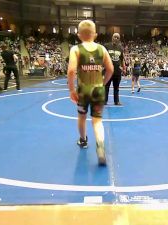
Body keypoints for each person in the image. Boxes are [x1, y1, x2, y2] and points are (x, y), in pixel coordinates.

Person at [67, 20, 114, 166]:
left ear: (79, 35)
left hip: (83, 90)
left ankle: (83, 140)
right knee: (97, 120)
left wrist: (71, 90)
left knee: (82, 117)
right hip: (98, 89)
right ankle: (100, 147)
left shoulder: (76, 49)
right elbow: (111, 69)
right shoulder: (102, 49)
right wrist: (103, 83)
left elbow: (71, 71)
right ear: (95, 34)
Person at [104, 33, 125, 105]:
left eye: (117, 37)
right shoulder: (106, 46)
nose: (116, 38)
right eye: (114, 37)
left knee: (116, 87)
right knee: (106, 86)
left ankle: (116, 101)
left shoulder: (121, 48)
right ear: (112, 37)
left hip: (117, 71)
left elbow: (122, 59)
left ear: (119, 39)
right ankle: (104, 101)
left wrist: (124, 68)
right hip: (108, 71)